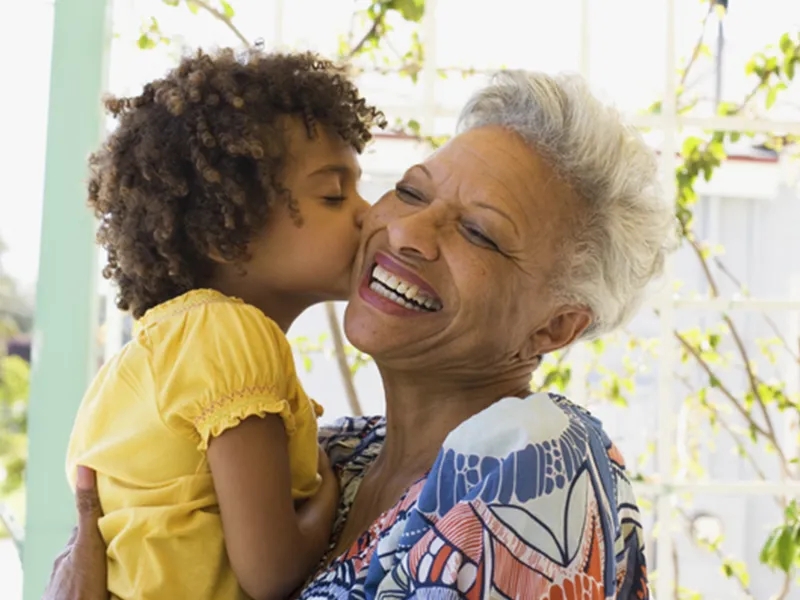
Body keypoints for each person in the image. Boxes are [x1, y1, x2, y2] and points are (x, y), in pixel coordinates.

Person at [46, 67, 674, 599]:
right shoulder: (335, 453)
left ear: (555, 326)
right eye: (409, 191)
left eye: (479, 232)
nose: (403, 231)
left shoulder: (534, 467)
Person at [65, 48, 385, 600]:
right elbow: (272, 572)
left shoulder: (154, 354)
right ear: (227, 233)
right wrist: (333, 497)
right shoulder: (232, 336)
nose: (367, 211)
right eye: (334, 194)